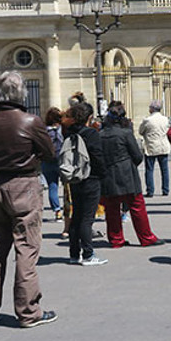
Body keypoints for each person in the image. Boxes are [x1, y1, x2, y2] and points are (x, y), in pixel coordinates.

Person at [0, 71, 58, 328]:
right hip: (24, 185)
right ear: (22, 92)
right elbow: (49, 152)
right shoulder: (30, 120)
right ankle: (28, 311)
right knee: (26, 247)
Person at [100, 101, 164, 248]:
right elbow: (137, 156)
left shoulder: (101, 134)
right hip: (127, 173)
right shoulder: (126, 133)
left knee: (112, 209)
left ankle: (116, 239)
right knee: (137, 206)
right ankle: (146, 237)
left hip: (108, 175)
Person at [63, 101, 108, 266]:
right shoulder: (91, 133)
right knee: (87, 218)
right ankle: (88, 254)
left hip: (75, 177)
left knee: (77, 216)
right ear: (89, 117)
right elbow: (97, 155)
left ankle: (74, 254)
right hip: (91, 177)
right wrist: (103, 173)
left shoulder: (69, 133)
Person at [139, 100, 171, 198]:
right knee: (164, 169)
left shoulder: (147, 120)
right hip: (163, 145)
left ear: (152, 109)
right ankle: (165, 189)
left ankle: (150, 190)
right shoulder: (165, 119)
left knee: (149, 169)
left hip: (151, 146)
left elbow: (141, 131)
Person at [40, 108, 64, 222]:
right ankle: (70, 210)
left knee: (52, 186)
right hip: (62, 160)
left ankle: (57, 211)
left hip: (47, 161)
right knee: (68, 187)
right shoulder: (62, 129)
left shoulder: (43, 131)